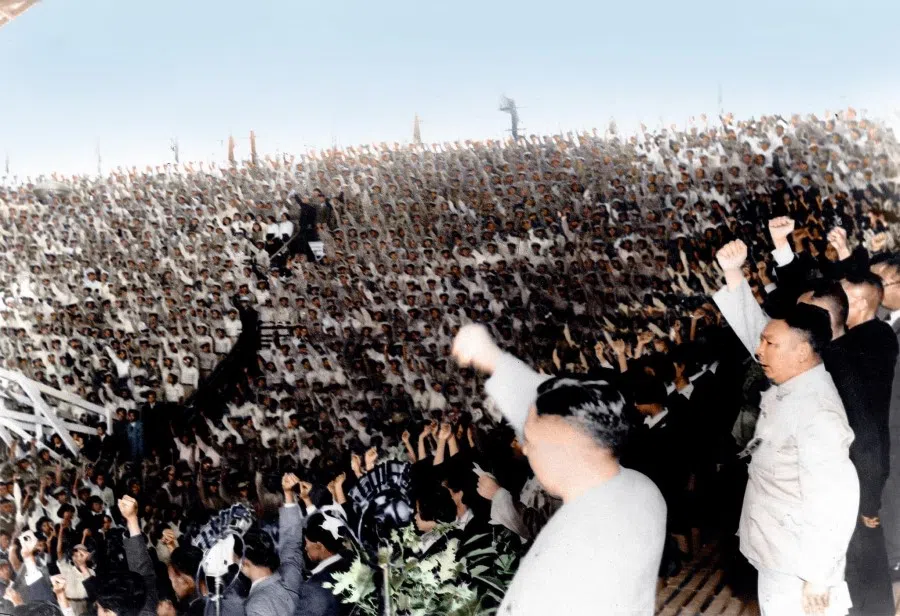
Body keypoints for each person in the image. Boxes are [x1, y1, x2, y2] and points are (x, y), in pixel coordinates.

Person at [451, 324, 666, 615]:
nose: (526, 450)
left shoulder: (574, 544)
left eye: (530, 442)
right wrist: (493, 359)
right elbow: (557, 410)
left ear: (564, 451)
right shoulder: (640, 487)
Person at [714, 239, 860, 615]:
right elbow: (762, 331)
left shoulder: (817, 412)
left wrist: (818, 575)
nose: (758, 351)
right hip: (779, 553)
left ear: (802, 352)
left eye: (769, 344)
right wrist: (734, 274)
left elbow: (836, 499)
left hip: (801, 569)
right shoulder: (794, 377)